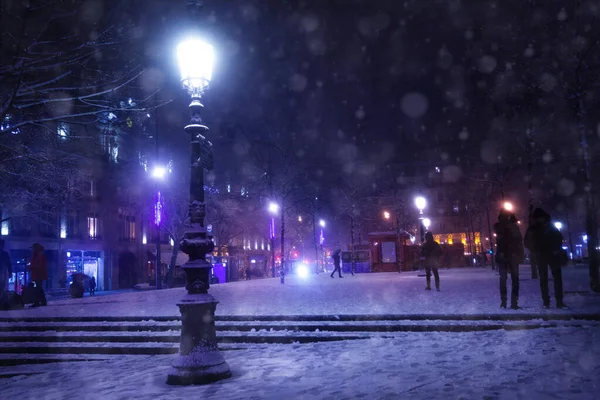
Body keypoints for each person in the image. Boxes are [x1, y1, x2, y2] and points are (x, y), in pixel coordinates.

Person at [524, 208, 567, 309]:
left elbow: (527, 242)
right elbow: (559, 237)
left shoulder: (534, 228)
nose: (540, 220)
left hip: (547, 254)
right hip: (547, 254)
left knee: (548, 279)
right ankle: (553, 301)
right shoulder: (547, 227)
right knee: (552, 279)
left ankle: (551, 301)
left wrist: (535, 249)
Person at [494, 211, 525, 309]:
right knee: (514, 279)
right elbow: (518, 241)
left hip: (503, 256)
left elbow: (502, 241)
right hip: (512, 255)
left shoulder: (499, 227)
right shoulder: (513, 227)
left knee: (503, 279)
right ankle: (514, 302)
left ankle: (504, 302)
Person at [27, 243, 48, 307]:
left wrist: (31, 266)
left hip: (39, 274)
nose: (32, 250)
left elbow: (39, 265)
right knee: (39, 288)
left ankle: (38, 302)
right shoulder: (39, 255)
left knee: (38, 288)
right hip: (39, 274)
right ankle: (42, 301)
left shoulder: (39, 255)